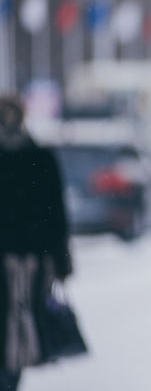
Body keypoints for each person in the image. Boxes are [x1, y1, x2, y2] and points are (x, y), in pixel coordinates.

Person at [0, 95, 73, 390]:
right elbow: (56, 214)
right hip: (31, 258)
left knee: (18, 326)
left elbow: (55, 213)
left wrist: (60, 258)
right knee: (18, 326)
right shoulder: (41, 157)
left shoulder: (41, 158)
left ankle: (9, 377)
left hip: (28, 260)